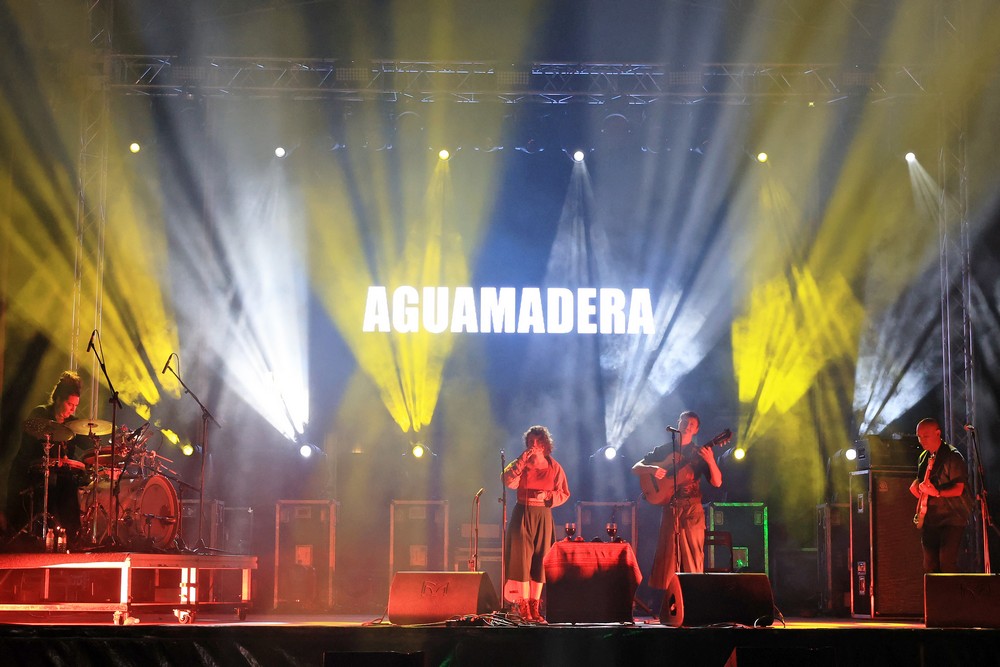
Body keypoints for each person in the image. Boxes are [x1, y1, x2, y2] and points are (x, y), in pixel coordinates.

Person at [631, 411, 722, 592]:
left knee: (692, 555)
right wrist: (652, 468)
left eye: (692, 425)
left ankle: (693, 598)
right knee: (669, 556)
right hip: (671, 508)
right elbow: (636, 468)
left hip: (691, 510)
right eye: (685, 422)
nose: (687, 426)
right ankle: (669, 602)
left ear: (696, 430)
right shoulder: (665, 449)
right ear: (678, 423)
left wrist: (711, 461)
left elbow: (717, 482)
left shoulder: (699, 453)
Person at [5, 370, 87, 545]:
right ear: (58, 399)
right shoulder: (41, 414)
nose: (73, 409)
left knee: (70, 483)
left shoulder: (73, 423)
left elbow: (89, 445)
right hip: (33, 472)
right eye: (69, 404)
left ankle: (72, 539)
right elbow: (27, 450)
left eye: (75, 405)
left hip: (60, 478)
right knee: (61, 485)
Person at [502, 425, 570, 623]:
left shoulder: (553, 466)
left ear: (545, 444)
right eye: (530, 441)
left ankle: (534, 605)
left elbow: (564, 493)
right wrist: (522, 460)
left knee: (540, 560)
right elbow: (508, 481)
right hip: (523, 513)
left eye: (538, 441)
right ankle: (523, 606)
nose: (534, 444)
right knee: (521, 560)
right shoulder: (520, 463)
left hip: (543, 515)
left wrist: (547, 495)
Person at [909, 417, 972, 573]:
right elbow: (923, 480)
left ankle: (951, 597)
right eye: (919, 436)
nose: (921, 440)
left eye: (926, 436)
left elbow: (959, 488)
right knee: (929, 565)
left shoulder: (953, 456)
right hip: (931, 519)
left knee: (947, 562)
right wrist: (916, 485)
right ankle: (934, 597)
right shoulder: (923, 457)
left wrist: (937, 492)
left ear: (938, 433)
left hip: (952, 519)